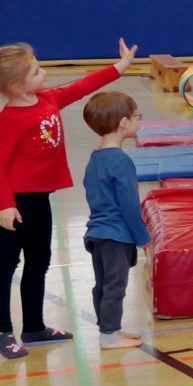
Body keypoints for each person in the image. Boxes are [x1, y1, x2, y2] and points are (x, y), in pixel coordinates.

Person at [0, 39, 133, 359]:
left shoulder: (47, 99)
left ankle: (34, 327)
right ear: (17, 86)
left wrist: (120, 66)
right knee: (5, 267)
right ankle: (3, 331)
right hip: (15, 203)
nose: (44, 73)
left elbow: (82, 86)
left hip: (38, 199)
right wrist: (5, 204)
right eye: (36, 71)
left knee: (39, 261)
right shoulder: (9, 120)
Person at [81, 89, 147, 351]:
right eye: (137, 116)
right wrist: (144, 238)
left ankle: (110, 329)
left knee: (104, 284)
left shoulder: (95, 157)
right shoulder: (120, 160)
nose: (139, 121)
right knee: (115, 286)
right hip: (115, 235)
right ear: (124, 122)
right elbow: (129, 206)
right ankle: (109, 335)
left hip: (97, 233)